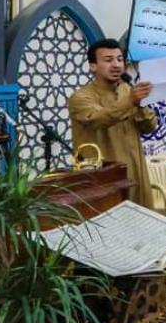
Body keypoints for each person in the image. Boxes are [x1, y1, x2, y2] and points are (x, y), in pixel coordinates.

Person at [68, 39, 159, 208]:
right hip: (102, 178)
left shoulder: (128, 90)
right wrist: (130, 102)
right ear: (93, 66)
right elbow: (98, 119)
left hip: (136, 172)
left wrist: (141, 105)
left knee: (141, 219)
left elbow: (150, 127)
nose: (116, 65)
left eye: (119, 59)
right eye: (108, 60)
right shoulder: (81, 97)